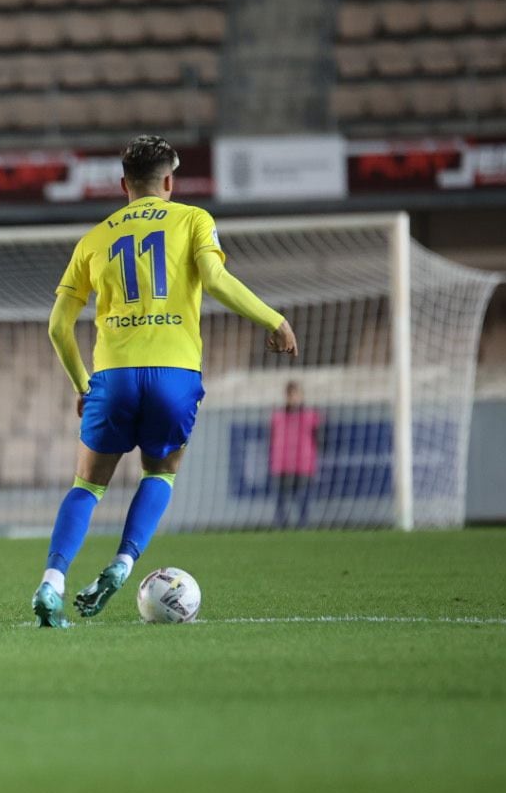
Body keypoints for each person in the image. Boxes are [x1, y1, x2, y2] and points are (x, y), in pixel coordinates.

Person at [32, 135, 300, 627]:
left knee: (87, 487)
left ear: (123, 184)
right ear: (170, 182)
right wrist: (273, 320)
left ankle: (52, 581)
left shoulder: (94, 238)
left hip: (111, 376)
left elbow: (57, 326)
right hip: (175, 374)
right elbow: (217, 282)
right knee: (159, 474)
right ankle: (123, 563)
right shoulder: (194, 220)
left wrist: (81, 384)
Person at [269, 380, 321, 529]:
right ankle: (281, 527)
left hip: (303, 463)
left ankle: (303, 526)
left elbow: (319, 438)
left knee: (302, 498)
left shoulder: (310, 415)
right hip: (281, 463)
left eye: (297, 394)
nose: (295, 398)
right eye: (292, 394)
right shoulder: (278, 416)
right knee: (280, 499)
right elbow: (272, 438)